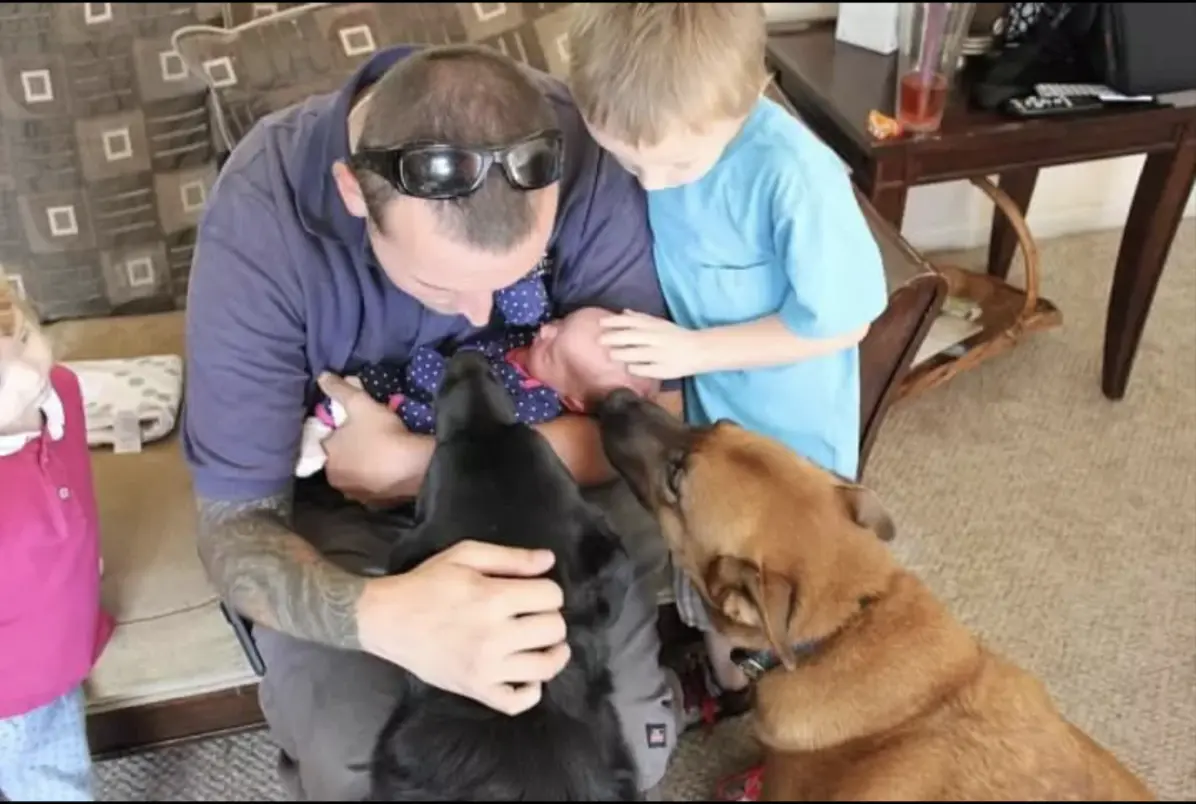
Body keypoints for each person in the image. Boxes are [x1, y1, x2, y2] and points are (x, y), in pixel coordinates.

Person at [183, 43, 688, 800]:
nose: (484, 314)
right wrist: (388, 617)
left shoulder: (585, 153)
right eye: (439, 284)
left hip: (546, 498)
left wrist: (411, 463)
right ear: (354, 193)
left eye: (517, 277)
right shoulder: (259, 222)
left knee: (634, 756)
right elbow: (235, 532)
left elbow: (652, 422)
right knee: (360, 771)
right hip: (343, 518)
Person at [566, 3, 890, 798]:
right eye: (629, 163)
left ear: (748, 98)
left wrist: (694, 351)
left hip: (787, 447)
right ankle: (728, 682)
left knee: (768, 607)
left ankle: (760, 698)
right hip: (708, 424)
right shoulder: (667, 139)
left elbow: (845, 321)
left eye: (671, 168)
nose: (651, 183)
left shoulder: (791, 174)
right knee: (704, 584)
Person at [296, 305, 661, 478]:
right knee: (364, 381)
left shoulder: (536, 405)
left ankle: (322, 431)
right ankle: (327, 417)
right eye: (560, 323)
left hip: (434, 408)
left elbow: (464, 402)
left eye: (552, 349)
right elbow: (524, 306)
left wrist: (429, 366)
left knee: (374, 385)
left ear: (571, 401)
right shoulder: (530, 341)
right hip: (432, 376)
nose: (546, 331)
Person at [0, 276, 115, 802]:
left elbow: (76, 487)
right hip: (16, 689)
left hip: (60, 639)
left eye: (22, 338)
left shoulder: (62, 391)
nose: (25, 374)